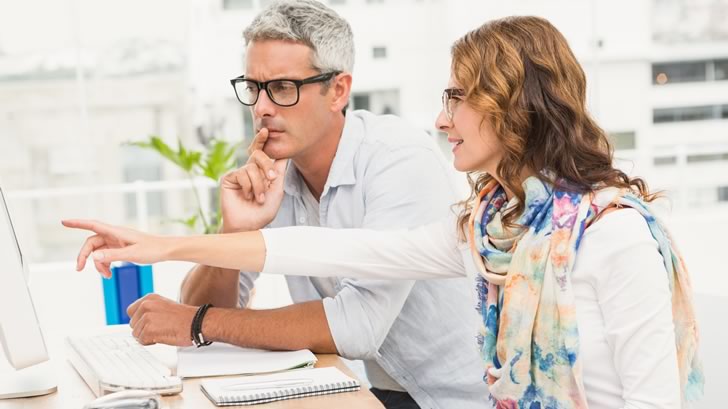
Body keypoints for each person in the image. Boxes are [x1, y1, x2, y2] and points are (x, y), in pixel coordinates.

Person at [64, 15, 704, 409]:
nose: (441, 121)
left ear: (515, 108)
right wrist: (164, 244)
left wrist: (188, 296)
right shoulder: (491, 227)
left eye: (457, 98)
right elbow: (341, 250)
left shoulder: (614, 236)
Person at [77, 1, 488, 408]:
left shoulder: (397, 157)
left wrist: (199, 321)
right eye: (254, 88)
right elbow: (197, 316)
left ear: (338, 91)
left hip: (462, 399)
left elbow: (357, 326)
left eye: (282, 88)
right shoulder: (273, 174)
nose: (261, 108)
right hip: (379, 392)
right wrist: (233, 231)